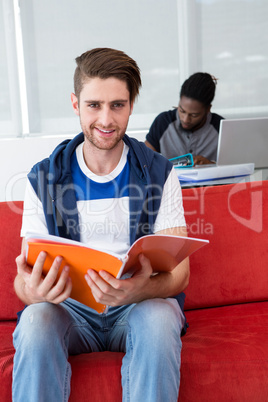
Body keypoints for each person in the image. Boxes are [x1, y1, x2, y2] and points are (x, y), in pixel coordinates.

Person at [12, 47, 189, 402]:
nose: (106, 120)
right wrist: (35, 291)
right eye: (94, 105)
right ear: (76, 103)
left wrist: (138, 290)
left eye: (117, 105)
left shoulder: (159, 172)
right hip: (71, 310)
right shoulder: (43, 178)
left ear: (131, 104)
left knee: (159, 320)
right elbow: (23, 284)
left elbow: (180, 274)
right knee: (35, 321)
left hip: (138, 307)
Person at [145, 72, 224, 165]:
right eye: (182, 111)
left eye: (194, 115)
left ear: (208, 109)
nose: (185, 119)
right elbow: (143, 161)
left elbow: (235, 168)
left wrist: (211, 165)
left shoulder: (221, 127)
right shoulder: (163, 122)